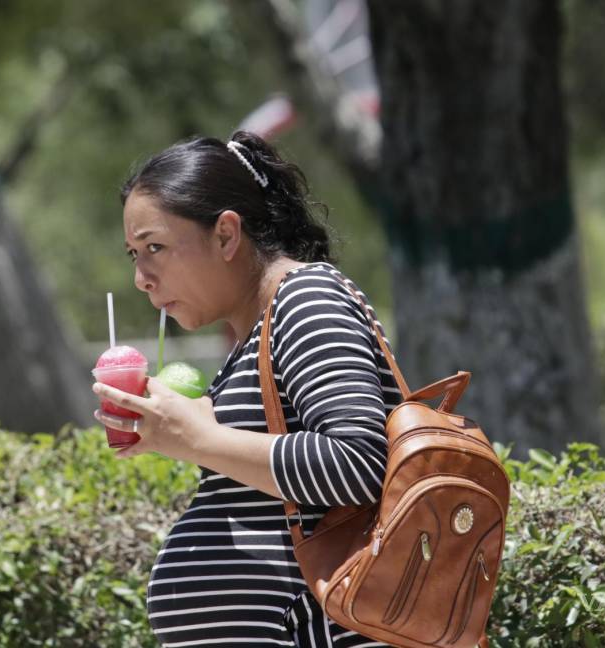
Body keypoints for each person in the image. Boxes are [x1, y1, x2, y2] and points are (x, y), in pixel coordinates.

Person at [93, 130, 402, 647]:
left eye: (155, 248)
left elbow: (359, 462)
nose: (141, 277)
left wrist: (197, 439)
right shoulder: (254, 338)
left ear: (226, 235)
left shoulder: (307, 297)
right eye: (133, 254)